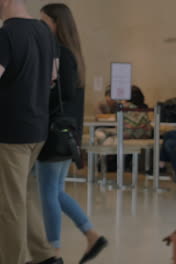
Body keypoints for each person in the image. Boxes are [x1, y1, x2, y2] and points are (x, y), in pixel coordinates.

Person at [37, 3, 107, 264]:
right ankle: (91, 234)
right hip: (67, 135)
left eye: (44, 21)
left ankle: (53, 251)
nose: (41, 26)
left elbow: (61, 95)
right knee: (55, 191)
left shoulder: (62, 54)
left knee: (47, 193)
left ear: (56, 23)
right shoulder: (72, 54)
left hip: (56, 134)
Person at [0, 0, 62, 263]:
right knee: (21, 194)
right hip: (37, 128)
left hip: (10, 132)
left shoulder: (6, 34)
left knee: (9, 205)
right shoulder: (44, 31)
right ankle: (46, 256)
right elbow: (53, 75)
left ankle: (16, 259)